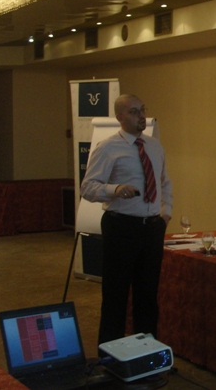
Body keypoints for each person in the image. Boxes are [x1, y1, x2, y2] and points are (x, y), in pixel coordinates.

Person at [81, 94, 173, 347]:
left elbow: (164, 182)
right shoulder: (108, 147)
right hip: (121, 226)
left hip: (152, 228)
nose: (141, 116)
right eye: (134, 112)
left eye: (142, 110)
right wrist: (115, 189)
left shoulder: (154, 146)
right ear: (120, 117)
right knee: (116, 296)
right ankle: (110, 356)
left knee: (148, 295)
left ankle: (147, 353)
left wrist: (166, 213)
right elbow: (88, 187)